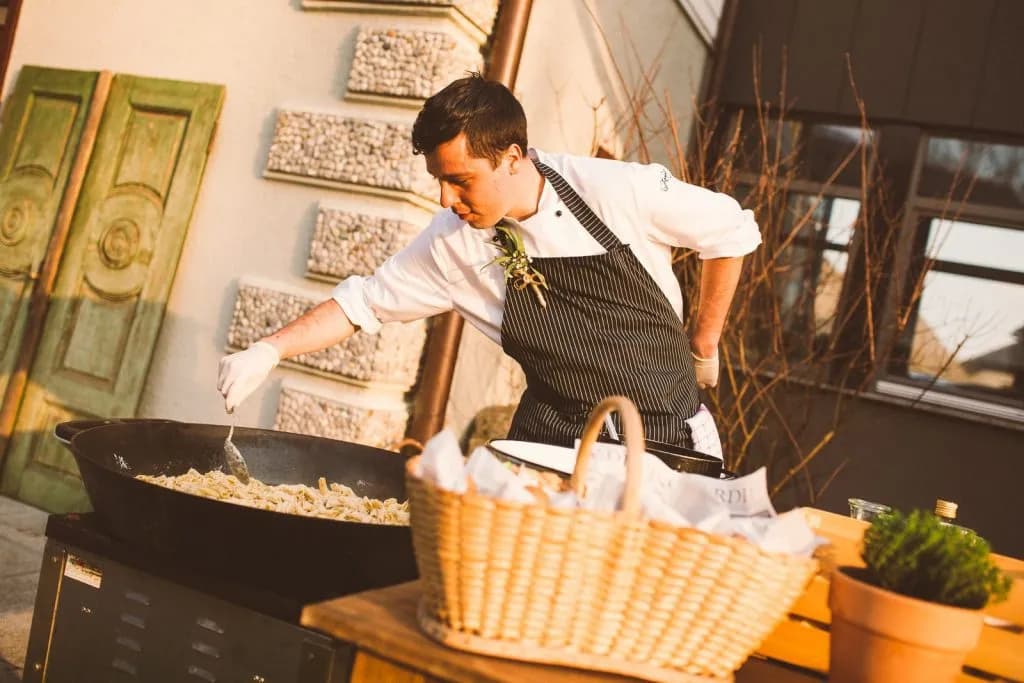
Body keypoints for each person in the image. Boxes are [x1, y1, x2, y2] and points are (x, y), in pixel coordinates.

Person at [218, 74, 760, 456]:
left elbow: (731, 230)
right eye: (439, 180)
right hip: (551, 441)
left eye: (460, 180)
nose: (446, 199)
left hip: (662, 443)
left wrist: (704, 343)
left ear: (513, 158)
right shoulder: (453, 241)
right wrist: (270, 349)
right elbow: (362, 303)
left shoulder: (619, 190)